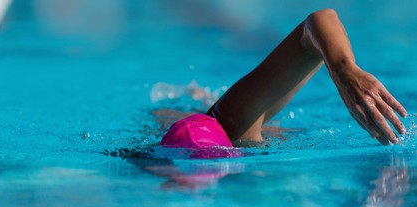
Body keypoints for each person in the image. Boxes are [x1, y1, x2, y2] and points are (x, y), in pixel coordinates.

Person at [160, 8, 408, 151]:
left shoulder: (233, 123)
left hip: (228, 118)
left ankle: (199, 99)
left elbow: (321, 19)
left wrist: (344, 69)